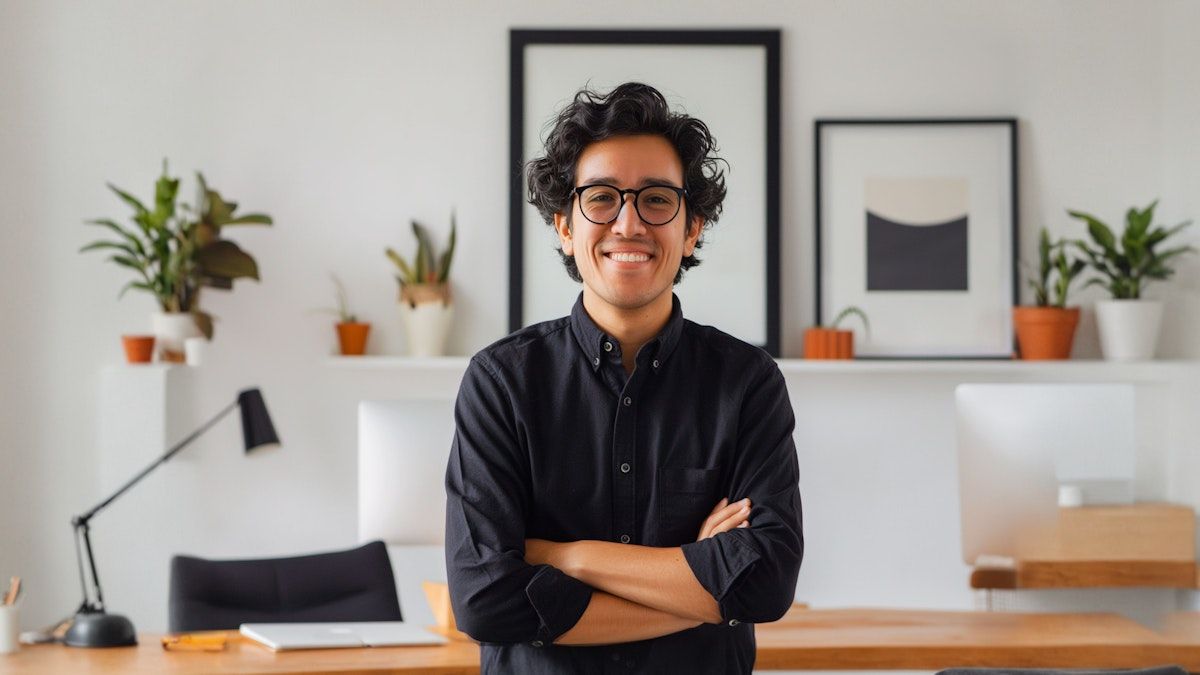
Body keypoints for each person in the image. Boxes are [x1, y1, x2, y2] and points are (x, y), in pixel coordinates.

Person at [445, 82, 803, 674]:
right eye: (603, 198)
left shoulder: (748, 382)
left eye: (657, 199)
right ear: (564, 224)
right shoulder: (501, 381)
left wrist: (570, 557)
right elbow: (485, 600)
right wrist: (706, 589)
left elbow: (764, 583)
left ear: (692, 228)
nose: (629, 223)